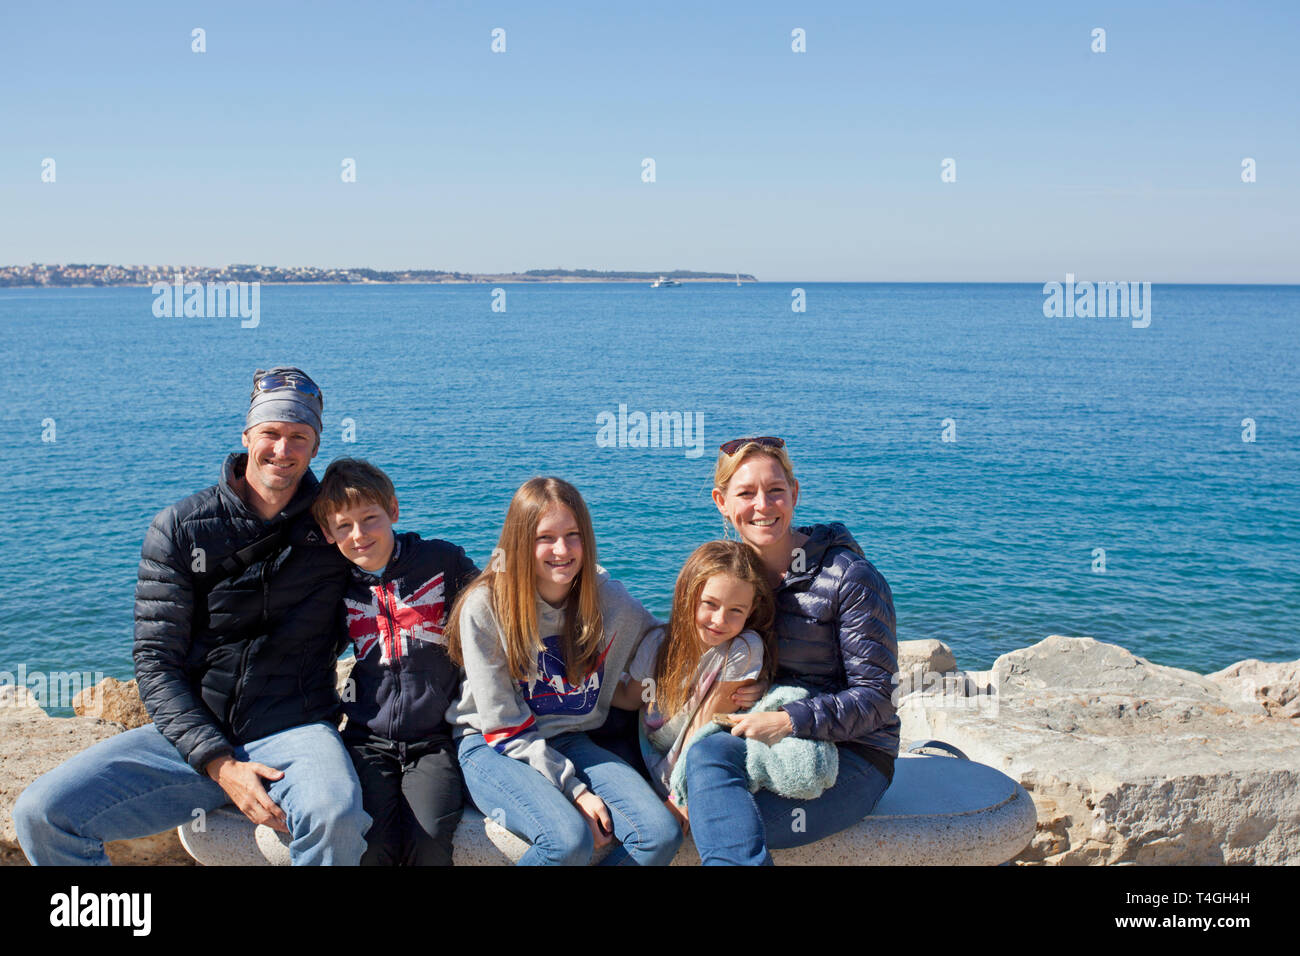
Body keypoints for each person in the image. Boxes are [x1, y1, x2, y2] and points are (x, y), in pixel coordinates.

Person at [14, 367, 370, 865]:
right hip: (192, 735)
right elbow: (156, 661)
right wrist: (219, 763)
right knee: (42, 812)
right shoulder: (181, 527)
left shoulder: (334, 529)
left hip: (297, 729)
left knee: (335, 816)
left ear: (315, 447)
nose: (282, 450)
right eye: (270, 434)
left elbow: (402, 575)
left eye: (298, 437)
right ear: (247, 436)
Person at [681, 437, 899, 865]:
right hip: (766, 735)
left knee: (718, 823)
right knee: (706, 759)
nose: (763, 505)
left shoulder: (849, 578)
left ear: (794, 494)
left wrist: (787, 720)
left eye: (775, 490)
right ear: (722, 502)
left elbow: (878, 697)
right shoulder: (734, 577)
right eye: (745, 493)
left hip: (855, 754)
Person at [444, 477, 681, 866]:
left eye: (573, 535)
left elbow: (663, 638)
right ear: (520, 542)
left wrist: (637, 686)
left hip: (570, 739)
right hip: (493, 747)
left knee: (659, 834)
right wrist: (573, 790)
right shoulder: (485, 607)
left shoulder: (609, 601)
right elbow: (503, 726)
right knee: (567, 841)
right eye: (545, 538)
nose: (562, 550)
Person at [312, 457, 478, 866]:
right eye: (344, 527)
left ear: (393, 510)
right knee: (372, 843)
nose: (359, 535)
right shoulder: (334, 584)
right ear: (328, 534)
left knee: (431, 838)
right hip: (367, 740)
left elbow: (492, 610)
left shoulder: (441, 561)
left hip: (435, 740)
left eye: (370, 518)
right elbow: (306, 651)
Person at [612, 540, 777, 830]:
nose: (719, 620)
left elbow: (704, 726)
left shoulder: (743, 648)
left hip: (689, 758)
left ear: (751, 611)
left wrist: (679, 795)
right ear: (688, 595)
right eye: (710, 604)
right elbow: (629, 697)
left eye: (735, 611)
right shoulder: (657, 643)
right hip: (651, 746)